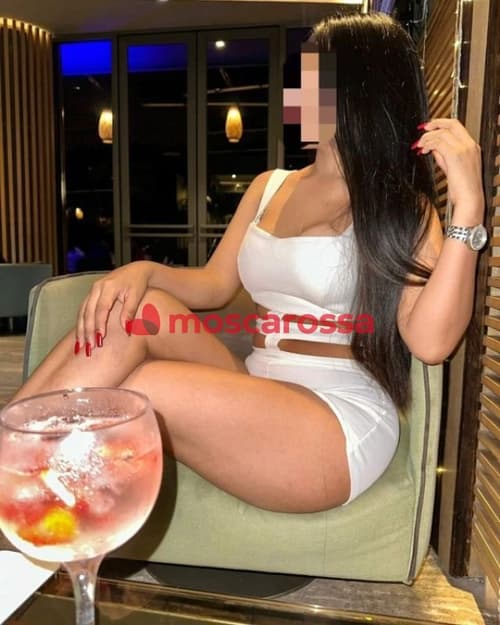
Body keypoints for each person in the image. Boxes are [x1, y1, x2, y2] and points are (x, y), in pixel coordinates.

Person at [11, 13, 485, 513]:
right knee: (134, 311)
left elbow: (430, 343)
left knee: (138, 391)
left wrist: (469, 207)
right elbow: (214, 285)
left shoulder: (397, 207)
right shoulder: (269, 186)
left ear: (356, 92)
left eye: (310, 84)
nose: (294, 98)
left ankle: (21, 478)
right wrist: (142, 271)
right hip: (256, 380)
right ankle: (10, 456)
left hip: (335, 415)